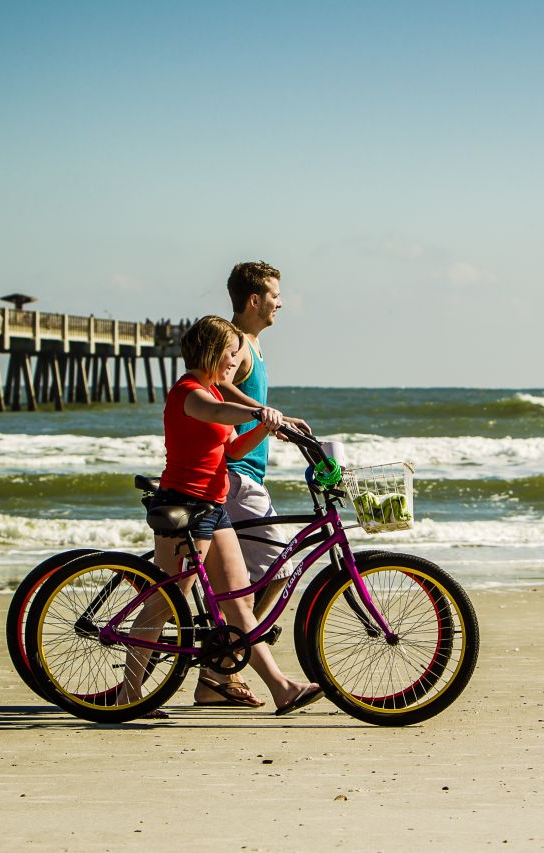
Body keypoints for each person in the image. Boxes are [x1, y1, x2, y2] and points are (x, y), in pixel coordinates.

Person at [119, 315, 322, 717]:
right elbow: (220, 412)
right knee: (165, 602)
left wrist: (266, 428)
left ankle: (282, 689)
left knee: (238, 604)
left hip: (214, 508)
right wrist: (260, 411)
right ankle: (129, 694)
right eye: (230, 354)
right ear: (213, 352)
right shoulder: (189, 393)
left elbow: (232, 451)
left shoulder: (211, 393)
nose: (234, 363)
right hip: (184, 509)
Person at [189, 261, 309, 709]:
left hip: (246, 474)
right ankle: (224, 663)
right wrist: (262, 412)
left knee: (248, 577)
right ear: (254, 299)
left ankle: (223, 663)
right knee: (278, 566)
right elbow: (218, 381)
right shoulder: (237, 343)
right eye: (275, 294)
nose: (281, 302)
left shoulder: (253, 343)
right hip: (237, 477)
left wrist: (272, 419)